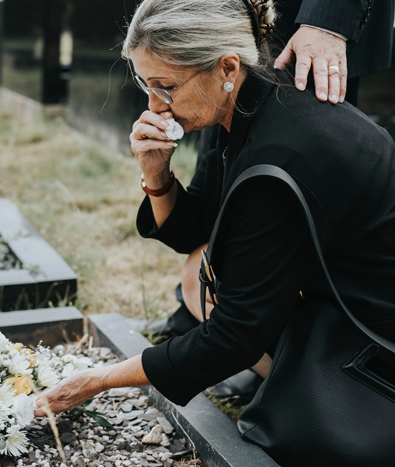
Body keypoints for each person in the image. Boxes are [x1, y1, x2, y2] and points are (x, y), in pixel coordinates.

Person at [34, 0, 395, 462]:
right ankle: (288, 376)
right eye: (146, 84)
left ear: (226, 66)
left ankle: (330, 398)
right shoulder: (242, 101)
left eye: (166, 87)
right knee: (198, 273)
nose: (154, 105)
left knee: (210, 287)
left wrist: (99, 380)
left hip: (374, 337)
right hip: (335, 297)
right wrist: (156, 174)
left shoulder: (282, 153)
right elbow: (194, 232)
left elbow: (234, 334)